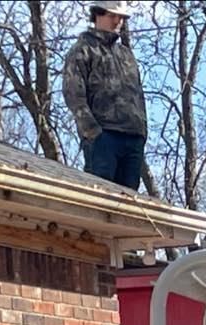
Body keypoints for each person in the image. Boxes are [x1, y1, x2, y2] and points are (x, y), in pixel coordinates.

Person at [63, 2, 147, 190]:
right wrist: (92, 132)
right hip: (104, 136)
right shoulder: (83, 49)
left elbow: (138, 95)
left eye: (121, 17)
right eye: (112, 15)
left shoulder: (126, 55)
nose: (118, 21)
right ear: (98, 15)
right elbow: (73, 93)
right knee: (101, 196)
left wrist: (142, 131)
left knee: (129, 204)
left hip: (133, 137)